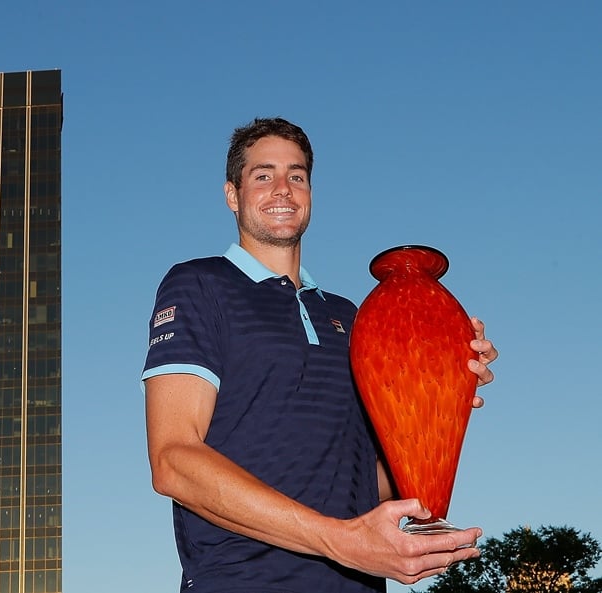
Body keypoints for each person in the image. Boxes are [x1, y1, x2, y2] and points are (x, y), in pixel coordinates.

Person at [141, 117, 498, 593]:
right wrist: (339, 540)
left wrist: (440, 404)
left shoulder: (353, 318)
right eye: (263, 175)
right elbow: (173, 460)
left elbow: (370, 482)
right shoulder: (200, 284)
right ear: (233, 195)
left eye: (297, 175)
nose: (283, 189)